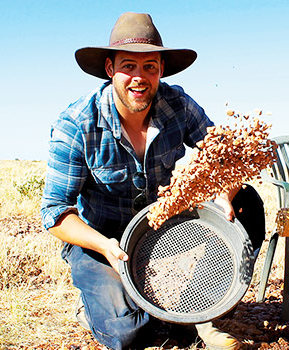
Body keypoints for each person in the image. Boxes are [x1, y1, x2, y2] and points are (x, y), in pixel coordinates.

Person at [41, 12, 265, 350]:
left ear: (161, 70)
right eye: (128, 66)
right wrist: (105, 247)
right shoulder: (76, 124)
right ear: (109, 69)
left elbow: (224, 157)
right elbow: (56, 212)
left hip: (160, 230)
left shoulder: (177, 105)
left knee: (247, 202)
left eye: (150, 67)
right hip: (101, 241)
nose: (139, 77)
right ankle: (93, 310)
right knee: (129, 333)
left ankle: (198, 312)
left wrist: (225, 194)